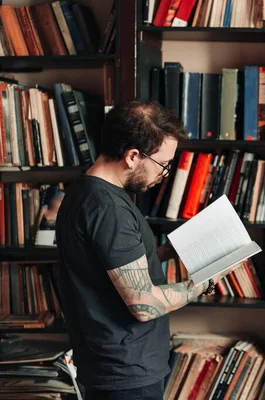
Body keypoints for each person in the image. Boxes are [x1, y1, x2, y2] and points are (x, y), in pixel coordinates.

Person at [55, 101, 217, 400]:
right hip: (125, 373)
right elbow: (143, 304)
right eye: (163, 164)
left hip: (119, 366)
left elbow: (112, 269)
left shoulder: (86, 191)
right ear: (132, 156)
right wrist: (200, 286)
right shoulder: (108, 208)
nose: (165, 173)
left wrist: (166, 252)